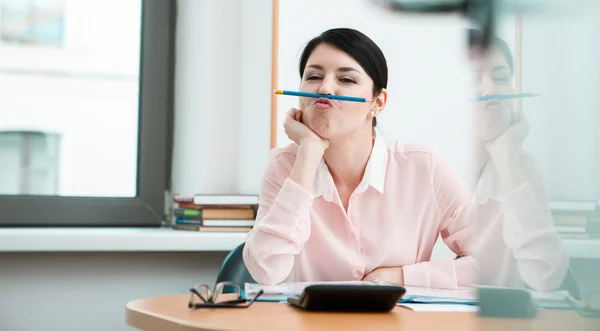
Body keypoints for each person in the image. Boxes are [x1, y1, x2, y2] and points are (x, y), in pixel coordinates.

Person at [243, 28, 477, 288]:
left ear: (377, 102)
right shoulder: (285, 165)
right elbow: (266, 271)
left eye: (346, 79)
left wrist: (400, 277)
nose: (324, 88)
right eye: (313, 76)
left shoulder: (424, 166)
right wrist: (308, 153)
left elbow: (494, 263)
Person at [468, 29, 569, 291]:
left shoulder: (523, 167)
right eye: (473, 78)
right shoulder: (421, 165)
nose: (491, 89)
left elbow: (545, 279)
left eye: (501, 78)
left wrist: (507, 160)